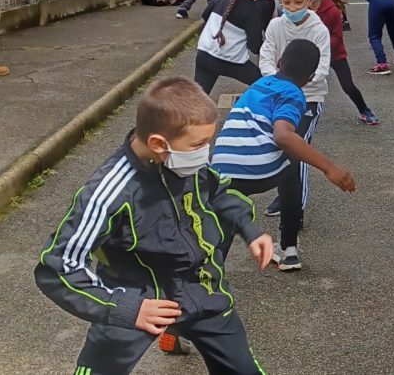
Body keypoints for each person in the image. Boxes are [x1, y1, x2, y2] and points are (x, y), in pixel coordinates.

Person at [34, 77, 274, 373]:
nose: (206, 152)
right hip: (138, 296)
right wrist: (123, 308)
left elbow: (217, 192)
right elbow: (58, 267)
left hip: (201, 288)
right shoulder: (108, 192)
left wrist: (250, 230)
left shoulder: (186, 162)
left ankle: (174, 336)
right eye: (199, 144)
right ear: (160, 144)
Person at [213, 40, 356, 272]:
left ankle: (207, 277)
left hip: (221, 166)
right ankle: (289, 248)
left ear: (279, 63)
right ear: (310, 78)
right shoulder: (293, 93)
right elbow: (283, 135)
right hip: (257, 169)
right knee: (292, 163)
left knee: (226, 219)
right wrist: (330, 168)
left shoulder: (258, 85)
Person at [259, 0, 332, 218]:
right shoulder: (275, 26)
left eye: (298, 2)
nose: (291, 8)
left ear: (309, 0)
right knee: (279, 146)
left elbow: (321, 70)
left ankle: (295, 209)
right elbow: (265, 60)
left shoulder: (319, 30)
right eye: (286, 2)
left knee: (297, 148)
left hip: (309, 98)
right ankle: (286, 193)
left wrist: (291, 85)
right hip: (279, 97)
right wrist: (282, 85)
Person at [306, 0, 379, 126]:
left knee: (348, 86)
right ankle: (296, 113)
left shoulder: (332, 10)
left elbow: (337, 38)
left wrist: (319, 44)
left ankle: (364, 109)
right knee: (300, 84)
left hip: (334, 55)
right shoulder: (303, 7)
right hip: (311, 55)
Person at [193, 0, 271, 94]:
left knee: (198, 99)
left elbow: (206, 15)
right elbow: (255, 45)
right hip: (230, 61)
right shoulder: (253, 9)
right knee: (265, 85)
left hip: (204, 54)